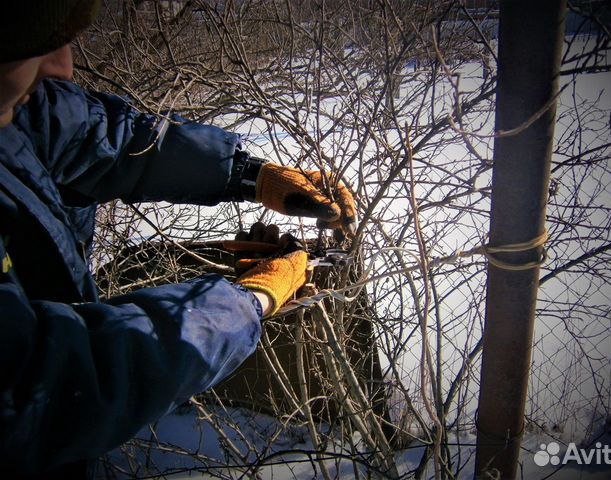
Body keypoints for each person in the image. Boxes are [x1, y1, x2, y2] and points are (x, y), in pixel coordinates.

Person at [0, 1, 356, 477]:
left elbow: (106, 138)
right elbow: (36, 387)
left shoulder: (17, 107)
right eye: (30, 48)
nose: (64, 67)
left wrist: (252, 176)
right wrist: (244, 303)